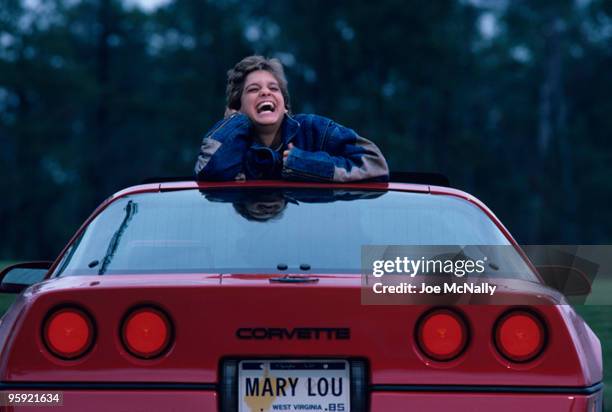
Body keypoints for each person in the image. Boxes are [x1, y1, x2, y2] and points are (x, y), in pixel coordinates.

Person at [194, 55, 389, 182]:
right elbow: (206, 174)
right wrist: (235, 122)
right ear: (237, 108)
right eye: (253, 89)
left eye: (273, 88)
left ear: (285, 106)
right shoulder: (231, 146)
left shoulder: (314, 129)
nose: (265, 92)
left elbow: (375, 165)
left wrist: (301, 163)